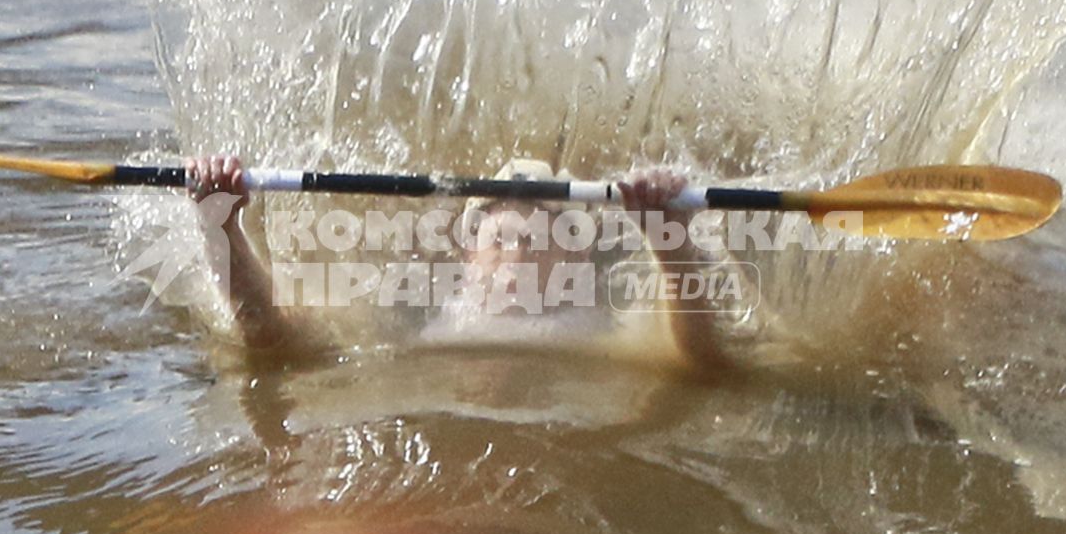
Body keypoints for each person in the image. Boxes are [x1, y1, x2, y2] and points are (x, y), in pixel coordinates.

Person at [180, 154, 733, 369]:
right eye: (499, 231)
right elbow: (270, 334)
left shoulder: (603, 325)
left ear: (580, 252)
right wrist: (221, 226)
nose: (516, 250)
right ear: (469, 253)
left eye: (538, 229)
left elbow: (700, 355)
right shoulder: (411, 319)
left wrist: (668, 240)